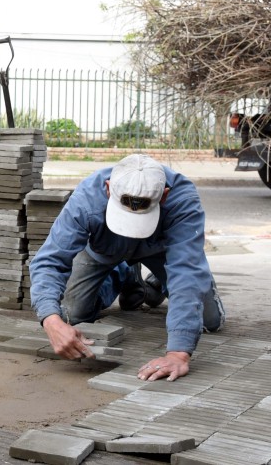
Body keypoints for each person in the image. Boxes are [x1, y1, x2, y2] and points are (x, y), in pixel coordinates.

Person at [29, 154, 225, 383]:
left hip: (159, 252)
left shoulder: (182, 199)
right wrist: (51, 321)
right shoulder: (86, 199)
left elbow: (186, 273)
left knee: (209, 322)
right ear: (108, 188)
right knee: (73, 314)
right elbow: (49, 260)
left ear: (164, 196)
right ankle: (122, 275)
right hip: (104, 251)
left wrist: (178, 354)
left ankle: (157, 281)